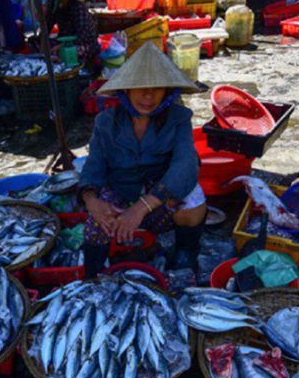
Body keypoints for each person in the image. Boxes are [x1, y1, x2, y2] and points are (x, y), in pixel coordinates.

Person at [77, 42, 206, 277]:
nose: (148, 96)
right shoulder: (106, 122)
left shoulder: (178, 118)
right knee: (97, 228)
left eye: (157, 88)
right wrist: (92, 201)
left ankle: (186, 252)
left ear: (167, 92)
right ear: (126, 91)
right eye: (140, 88)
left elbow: (185, 166)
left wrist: (140, 208)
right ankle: (93, 274)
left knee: (194, 199)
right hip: (121, 192)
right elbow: (93, 166)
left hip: (160, 195)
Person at [45, 0, 99, 64]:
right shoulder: (55, 4)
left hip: (80, 44)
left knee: (75, 51)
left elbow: (82, 37)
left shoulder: (78, 7)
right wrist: (42, 42)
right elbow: (47, 26)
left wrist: (61, 47)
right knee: (34, 43)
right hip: (62, 41)